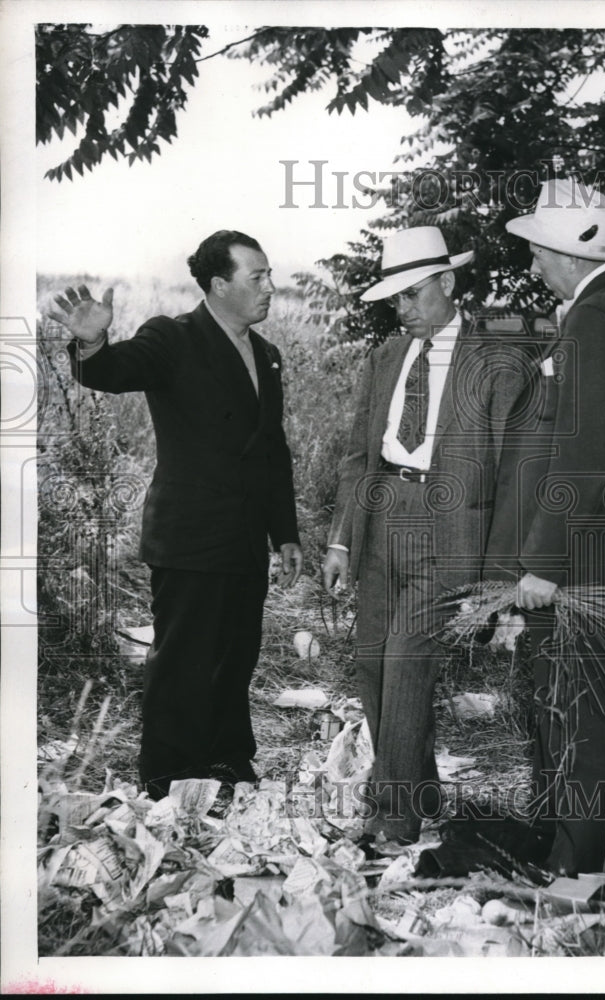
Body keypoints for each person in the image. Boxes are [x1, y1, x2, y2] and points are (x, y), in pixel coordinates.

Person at [47, 230, 303, 800]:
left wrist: (284, 532)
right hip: (189, 536)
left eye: (269, 275)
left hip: (243, 542)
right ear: (218, 284)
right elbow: (115, 371)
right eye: (256, 277)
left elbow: (271, 450)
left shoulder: (268, 355)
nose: (270, 287)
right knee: (183, 660)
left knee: (237, 656)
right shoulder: (173, 336)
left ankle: (229, 761)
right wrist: (92, 346)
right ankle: (168, 778)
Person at [322, 226, 529, 844]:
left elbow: (516, 469)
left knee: (408, 663)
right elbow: (360, 455)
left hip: (453, 529)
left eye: (412, 294)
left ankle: (394, 818)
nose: (403, 309)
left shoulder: (496, 359)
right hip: (384, 515)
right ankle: (423, 789)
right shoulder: (386, 356)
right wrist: (340, 539)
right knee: (371, 665)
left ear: (447, 282)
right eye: (395, 300)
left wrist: (501, 574)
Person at [495, 178, 605, 875]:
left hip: (586, 553)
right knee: (578, 700)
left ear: (566, 251)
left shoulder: (597, 317)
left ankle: (582, 865)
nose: (533, 265)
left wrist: (543, 561)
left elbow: (583, 449)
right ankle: (572, 847)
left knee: (581, 708)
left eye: (538, 251)